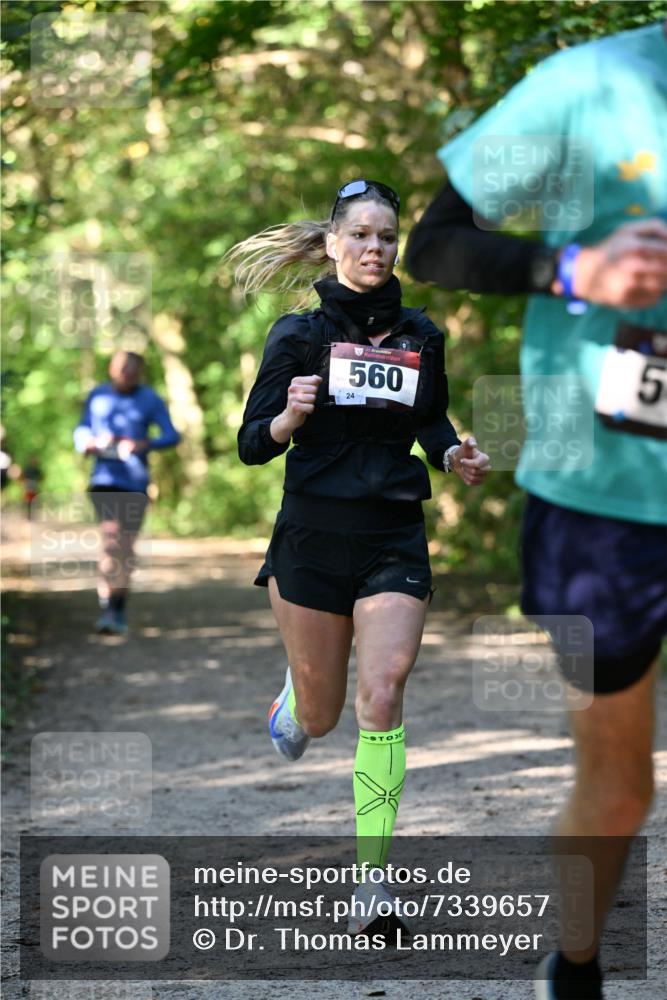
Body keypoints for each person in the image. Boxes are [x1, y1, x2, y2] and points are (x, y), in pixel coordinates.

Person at [405, 20, 667, 1000]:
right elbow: (433, 244)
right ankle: (576, 963)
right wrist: (571, 271)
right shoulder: (587, 84)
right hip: (605, 495)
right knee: (619, 790)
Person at [232, 178, 490, 936]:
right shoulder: (297, 336)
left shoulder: (421, 335)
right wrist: (287, 417)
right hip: (311, 538)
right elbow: (251, 443)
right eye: (362, 235)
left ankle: (371, 883)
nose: (375, 248)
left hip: (391, 536)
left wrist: (452, 455)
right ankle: (296, 694)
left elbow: (431, 420)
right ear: (333, 243)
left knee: (383, 689)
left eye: (386, 237)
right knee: (320, 718)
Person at [74, 350, 181, 635]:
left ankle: (117, 606)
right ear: (112, 370)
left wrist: (143, 444)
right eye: (123, 371)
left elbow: (172, 435)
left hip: (135, 481)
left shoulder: (150, 399)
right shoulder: (97, 396)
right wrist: (89, 443)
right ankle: (108, 606)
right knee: (111, 539)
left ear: (140, 373)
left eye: (133, 372)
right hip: (104, 479)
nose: (127, 376)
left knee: (126, 547)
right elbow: (81, 430)